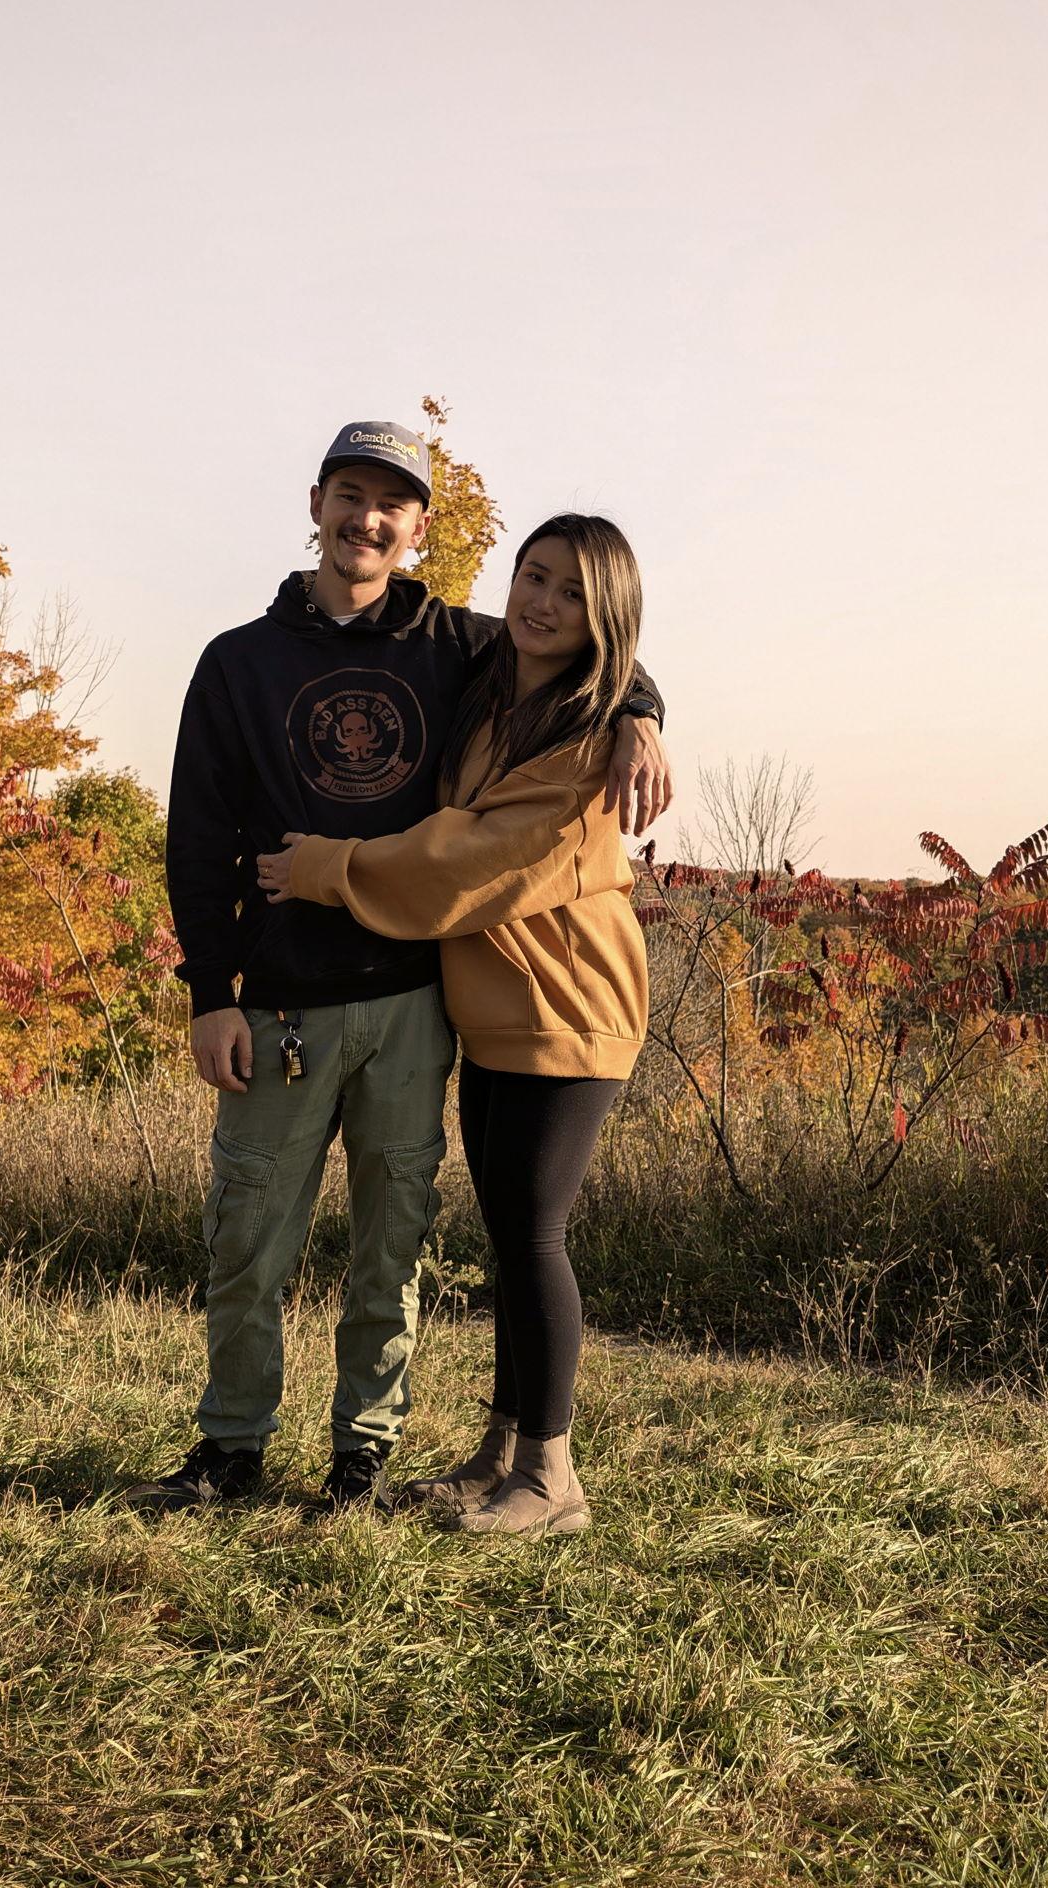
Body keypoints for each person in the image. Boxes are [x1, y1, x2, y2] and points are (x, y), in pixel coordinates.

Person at [131, 424, 670, 1516]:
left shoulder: (452, 642)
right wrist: (209, 994)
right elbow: (197, 838)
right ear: (316, 502)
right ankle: (230, 1453)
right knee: (248, 1239)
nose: (366, 518)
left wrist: (644, 716)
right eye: (349, 494)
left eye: (391, 504)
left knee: (396, 1249)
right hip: (280, 1001)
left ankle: (360, 1456)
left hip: (419, 1002)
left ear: (419, 529)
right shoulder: (238, 660)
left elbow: (594, 644)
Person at [256, 514, 649, 1535]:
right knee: (513, 1234)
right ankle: (502, 1452)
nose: (541, 601)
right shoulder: (490, 685)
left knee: (533, 1233)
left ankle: (551, 1478)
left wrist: (327, 869)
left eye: (568, 590)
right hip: (493, 1009)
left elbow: (465, 860)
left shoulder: (587, 735)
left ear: (603, 613)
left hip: (567, 1005)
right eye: (532, 575)